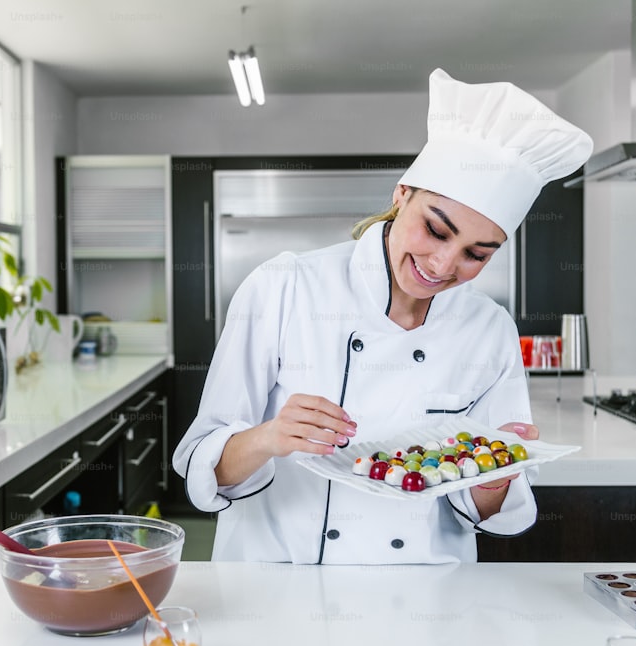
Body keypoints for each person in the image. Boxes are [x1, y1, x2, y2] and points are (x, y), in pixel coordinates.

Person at [173, 69, 593, 564]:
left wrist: (497, 476)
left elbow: (485, 509)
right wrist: (269, 437)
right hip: (280, 582)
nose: (443, 265)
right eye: (436, 231)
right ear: (403, 193)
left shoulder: (488, 329)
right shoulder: (284, 287)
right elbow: (206, 468)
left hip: (420, 595)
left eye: (476, 254)